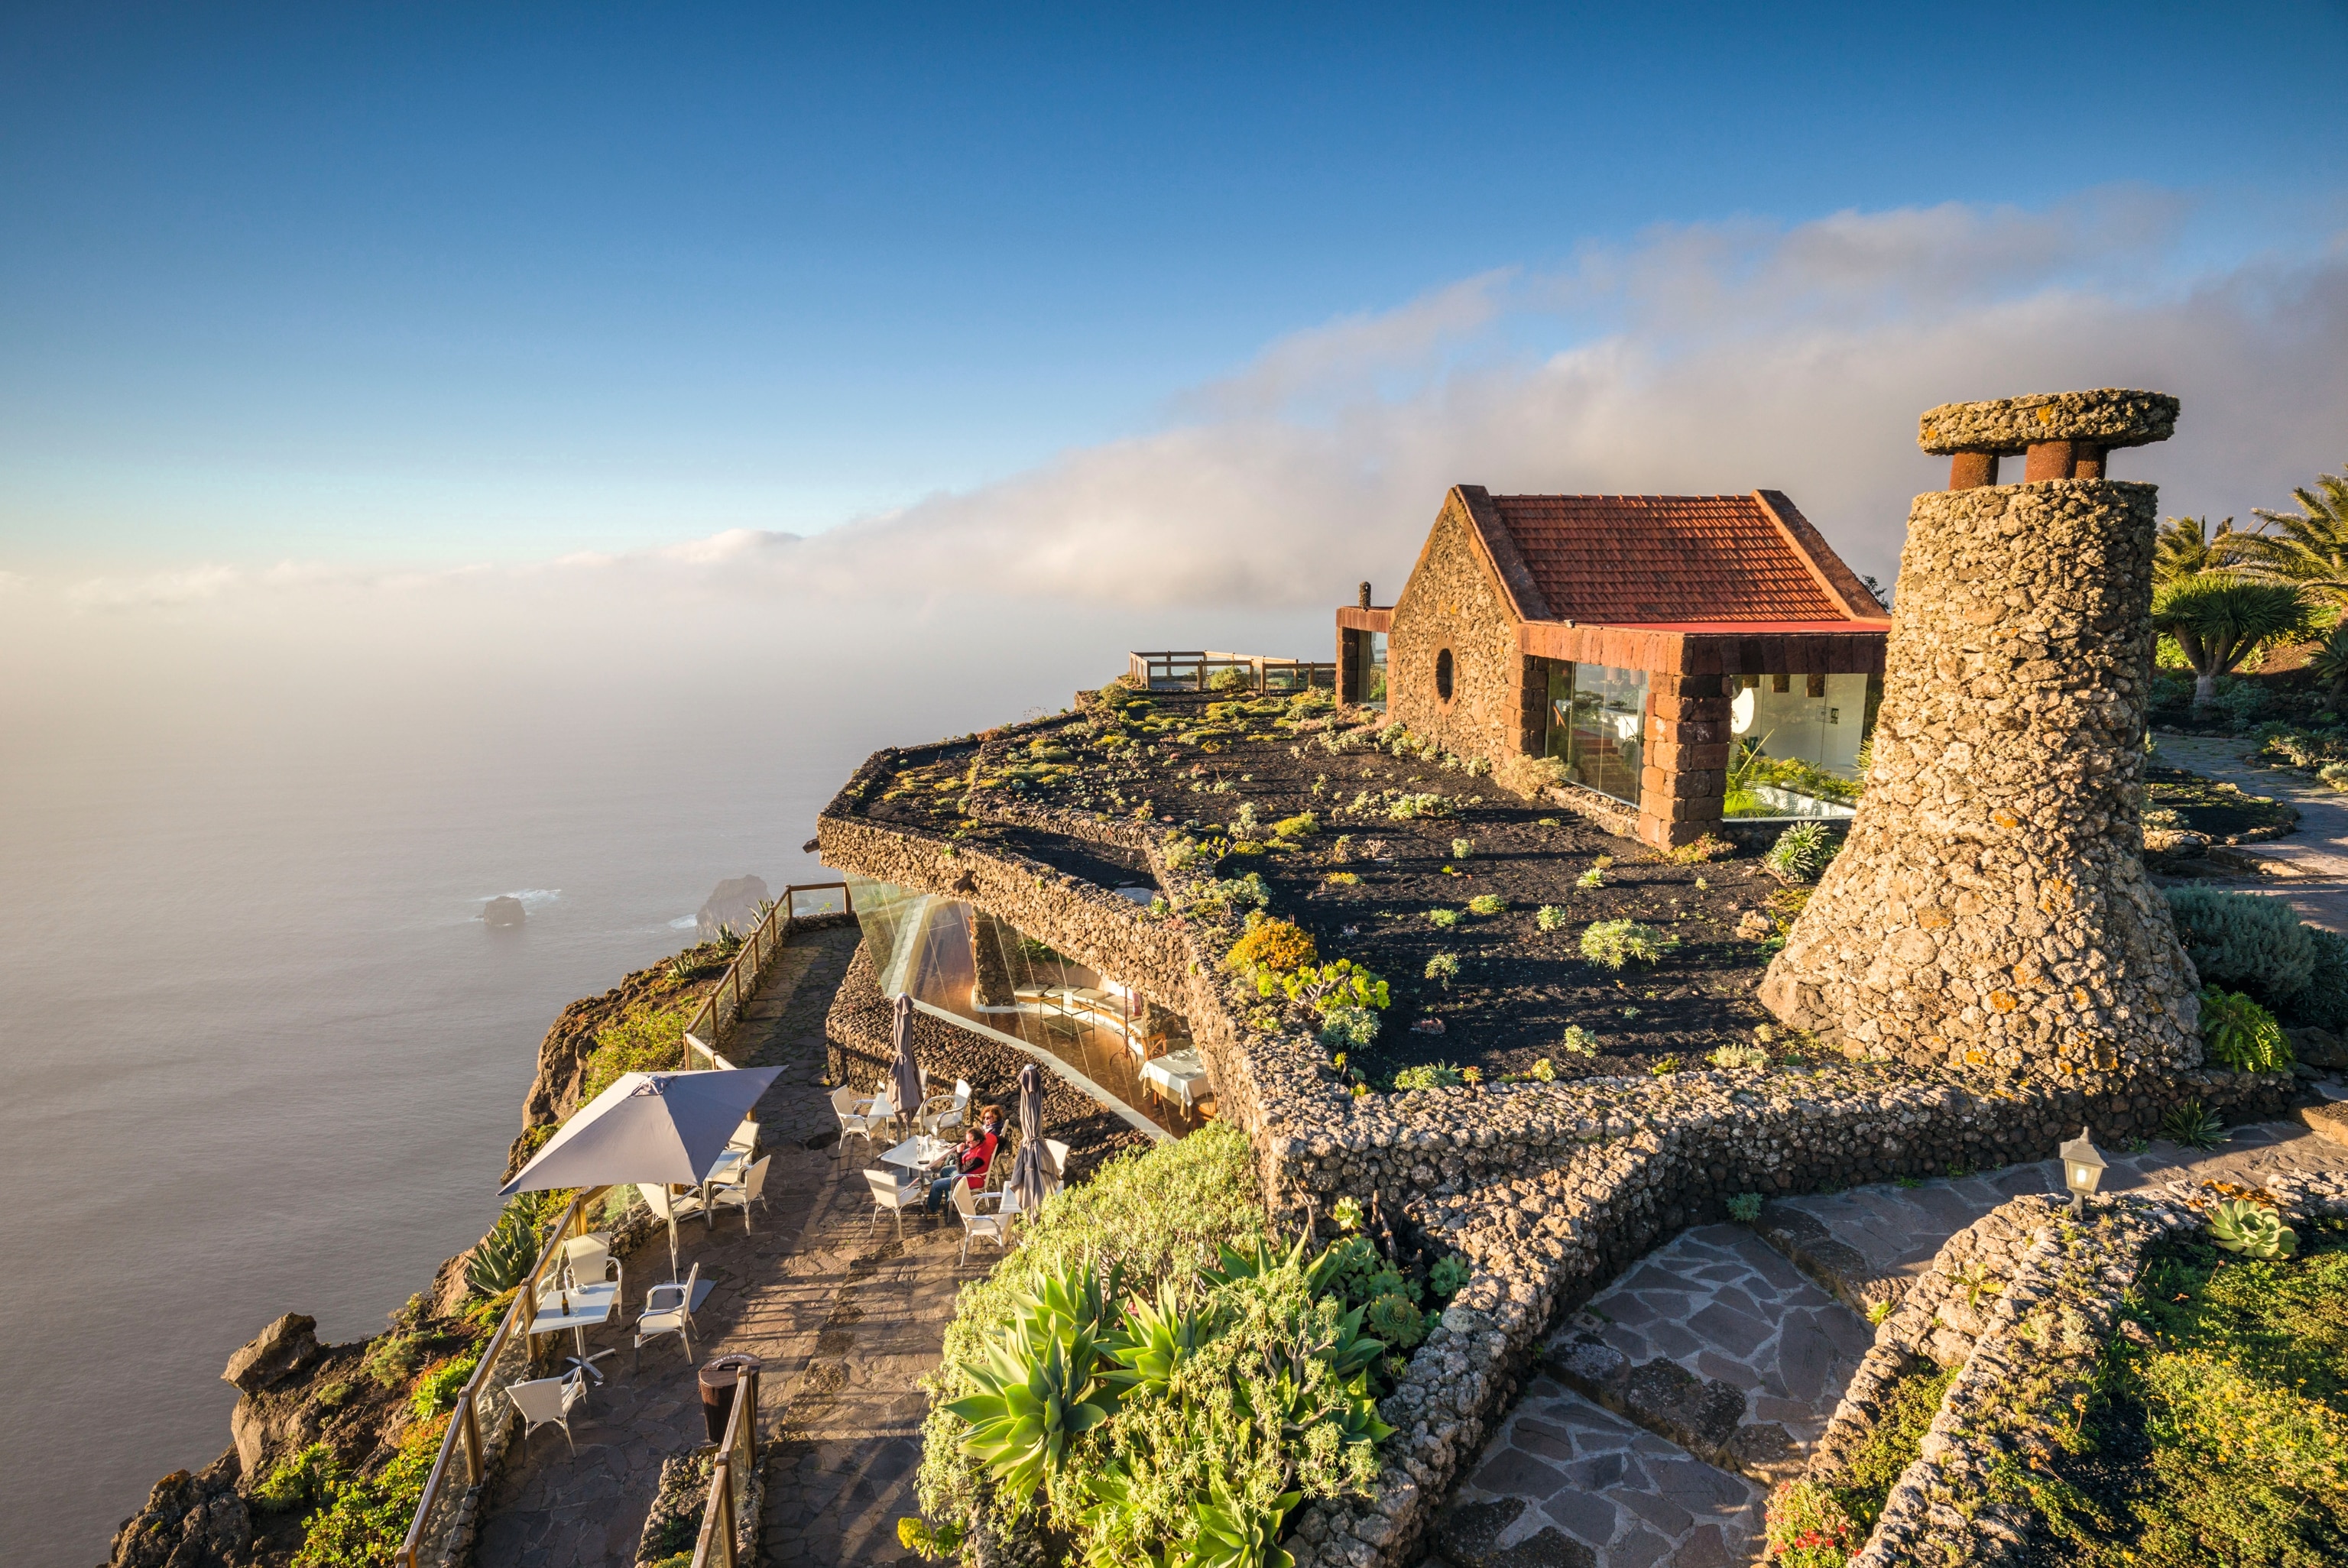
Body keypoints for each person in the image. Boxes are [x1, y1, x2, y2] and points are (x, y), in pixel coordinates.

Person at [925, 1104, 1003, 1212]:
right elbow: (1003, 1140)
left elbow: (961, 1171)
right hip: (970, 1173)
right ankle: (951, 1202)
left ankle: (931, 1209)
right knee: (944, 1171)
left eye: (969, 1142)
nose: (967, 1143)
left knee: (936, 1185)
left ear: (978, 1141)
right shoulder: (989, 1137)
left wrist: (959, 1153)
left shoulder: (978, 1158)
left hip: (969, 1179)